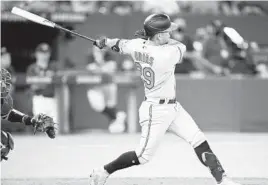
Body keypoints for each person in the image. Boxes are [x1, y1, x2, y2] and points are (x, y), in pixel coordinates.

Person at [89, 14, 241, 185]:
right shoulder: (168, 54)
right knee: (142, 156)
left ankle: (222, 179)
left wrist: (105, 42)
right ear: (160, 36)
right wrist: (146, 36)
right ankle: (103, 171)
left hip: (173, 108)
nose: (171, 34)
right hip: (155, 111)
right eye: (168, 32)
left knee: (198, 139)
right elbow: (179, 45)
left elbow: (119, 44)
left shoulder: (136, 45)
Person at [1, 68, 57, 161]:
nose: (3, 86)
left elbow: (8, 114)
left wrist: (30, 120)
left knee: (5, 140)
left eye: (4, 83)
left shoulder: (4, 100)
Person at [86, 46, 126, 133]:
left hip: (108, 84)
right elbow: (90, 68)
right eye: (97, 48)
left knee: (110, 106)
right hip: (95, 86)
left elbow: (110, 67)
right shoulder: (90, 56)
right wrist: (98, 60)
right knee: (97, 106)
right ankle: (118, 116)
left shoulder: (110, 55)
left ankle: (115, 123)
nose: (99, 51)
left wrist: (100, 63)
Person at [27, 43, 59, 124]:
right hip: (39, 100)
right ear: (37, 54)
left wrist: (45, 79)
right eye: (42, 53)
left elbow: (59, 83)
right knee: (41, 126)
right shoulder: (32, 68)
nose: (44, 55)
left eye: (46, 53)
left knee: (55, 127)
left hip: (53, 100)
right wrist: (46, 80)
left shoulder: (54, 66)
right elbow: (33, 87)